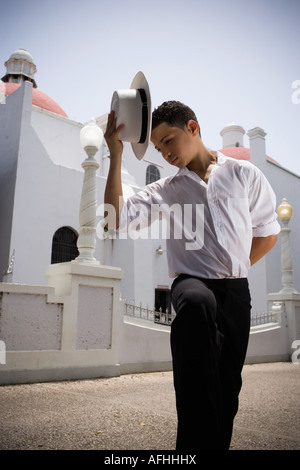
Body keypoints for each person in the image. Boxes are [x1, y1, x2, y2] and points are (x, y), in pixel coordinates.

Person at [104, 100, 280, 450]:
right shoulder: (167, 190)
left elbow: (268, 232)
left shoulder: (245, 175)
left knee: (227, 394)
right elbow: (113, 220)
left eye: (168, 140)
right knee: (197, 310)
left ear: (193, 128)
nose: (165, 153)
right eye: (158, 148)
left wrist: (235, 266)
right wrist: (116, 155)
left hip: (235, 293)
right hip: (191, 284)